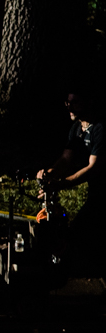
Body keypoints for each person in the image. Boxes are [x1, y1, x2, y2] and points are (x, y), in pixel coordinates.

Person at [36, 89, 104, 269]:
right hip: (95, 191)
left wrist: (61, 184)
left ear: (88, 103)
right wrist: (49, 173)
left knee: (82, 229)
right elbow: (66, 159)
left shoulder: (99, 129)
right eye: (67, 102)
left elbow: (93, 168)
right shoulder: (77, 128)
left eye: (75, 103)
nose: (69, 107)